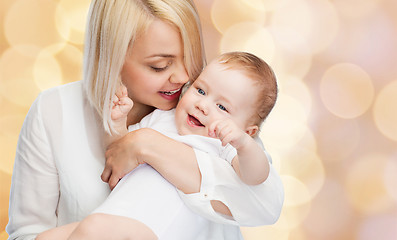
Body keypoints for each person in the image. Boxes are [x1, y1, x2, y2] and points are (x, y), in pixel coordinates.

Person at [7, 0, 284, 239]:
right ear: (111, 57)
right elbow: (117, 153)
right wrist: (121, 129)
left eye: (190, 57)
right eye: (159, 66)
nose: (184, 77)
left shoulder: (223, 119)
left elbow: (264, 202)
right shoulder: (54, 111)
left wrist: (147, 145)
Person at [36, 51, 279, 240]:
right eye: (201, 90)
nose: (203, 105)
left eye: (222, 107)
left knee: (94, 227)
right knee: (48, 237)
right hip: (118, 214)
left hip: (152, 227)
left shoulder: (225, 145)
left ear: (249, 131)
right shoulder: (162, 119)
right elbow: (120, 153)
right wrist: (118, 123)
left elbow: (255, 177)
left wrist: (245, 145)